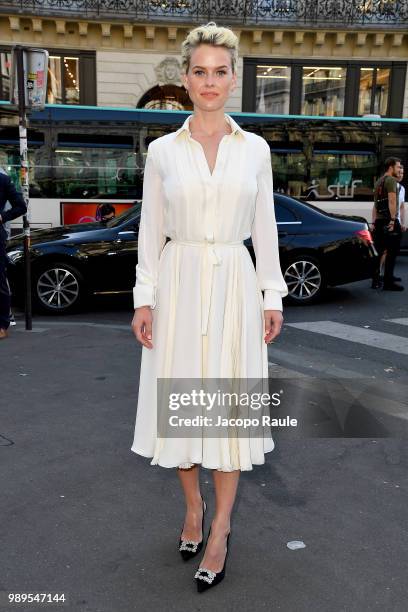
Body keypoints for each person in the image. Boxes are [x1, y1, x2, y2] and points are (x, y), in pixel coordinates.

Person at [130, 22, 288, 592]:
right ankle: (192, 509)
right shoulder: (163, 151)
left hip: (235, 286)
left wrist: (272, 295)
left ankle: (220, 529)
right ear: (186, 78)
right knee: (183, 405)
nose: (210, 81)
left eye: (221, 71)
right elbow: (150, 231)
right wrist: (144, 299)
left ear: (234, 78)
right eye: (200, 71)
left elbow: (265, 228)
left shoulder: (257, 150)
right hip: (178, 282)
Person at [0, 172, 27, 339]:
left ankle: (2, 324)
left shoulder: (2, 180)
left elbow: (21, 206)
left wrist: (3, 217)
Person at [371, 157, 404, 291]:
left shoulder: (379, 181)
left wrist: (374, 221)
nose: (399, 169)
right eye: (398, 167)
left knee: (378, 252)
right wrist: (392, 220)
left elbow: (375, 204)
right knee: (392, 253)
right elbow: (392, 201)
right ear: (391, 167)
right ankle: (388, 283)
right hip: (388, 221)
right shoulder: (390, 180)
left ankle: (375, 280)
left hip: (379, 221)